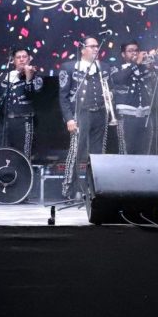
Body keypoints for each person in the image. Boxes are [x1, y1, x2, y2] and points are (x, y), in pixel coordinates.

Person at [59, 35, 111, 201]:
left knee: (98, 153)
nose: (96, 49)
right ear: (83, 49)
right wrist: (69, 118)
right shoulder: (69, 67)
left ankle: (95, 188)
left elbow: (111, 88)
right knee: (76, 151)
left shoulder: (104, 67)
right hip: (80, 115)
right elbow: (63, 96)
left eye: (97, 46)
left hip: (100, 114)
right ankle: (69, 188)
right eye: (92, 46)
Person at [0, 48, 43, 157]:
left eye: (24, 57)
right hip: (4, 121)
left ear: (29, 59)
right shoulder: (6, 76)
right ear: (13, 61)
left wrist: (28, 79)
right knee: (0, 154)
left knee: (22, 156)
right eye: (18, 57)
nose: (21, 60)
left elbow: (32, 94)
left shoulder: (36, 76)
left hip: (23, 122)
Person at [109, 40, 158, 155]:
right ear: (123, 54)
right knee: (126, 152)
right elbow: (118, 79)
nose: (134, 53)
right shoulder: (117, 68)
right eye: (130, 51)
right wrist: (136, 64)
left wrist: (152, 66)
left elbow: (156, 83)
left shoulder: (145, 68)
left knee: (145, 152)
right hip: (126, 118)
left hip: (146, 117)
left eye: (136, 50)